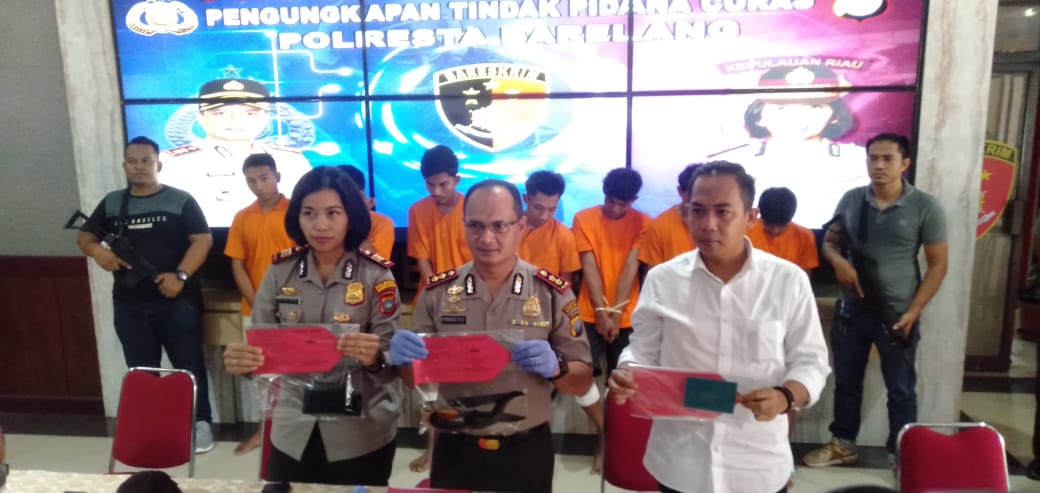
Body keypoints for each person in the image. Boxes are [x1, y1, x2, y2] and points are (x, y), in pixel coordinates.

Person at [608, 161, 831, 493]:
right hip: (680, 460)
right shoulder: (663, 279)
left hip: (757, 463)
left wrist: (785, 397)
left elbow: (811, 361)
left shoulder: (788, 280)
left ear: (751, 217)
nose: (708, 224)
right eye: (698, 211)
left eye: (723, 212)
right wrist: (627, 370)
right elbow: (642, 349)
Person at [390, 179, 593, 493]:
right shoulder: (438, 292)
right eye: (475, 226)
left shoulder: (552, 293)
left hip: (526, 447)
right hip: (455, 446)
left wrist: (558, 367)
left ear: (521, 226)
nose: (486, 238)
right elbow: (411, 379)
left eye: (499, 226)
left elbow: (581, 381)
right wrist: (403, 360)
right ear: (464, 226)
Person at [222, 167, 402, 485]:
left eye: (333, 213)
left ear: (351, 217)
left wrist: (375, 357)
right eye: (309, 213)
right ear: (297, 217)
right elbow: (262, 349)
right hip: (293, 427)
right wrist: (246, 362)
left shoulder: (376, 276)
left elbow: (392, 365)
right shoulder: (281, 272)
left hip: (361, 432)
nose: (320, 225)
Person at [803, 133, 948, 467]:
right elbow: (831, 243)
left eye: (887, 158)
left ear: (905, 163)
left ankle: (903, 454)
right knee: (846, 382)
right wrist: (839, 263)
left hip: (897, 314)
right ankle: (843, 445)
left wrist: (914, 311)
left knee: (901, 389)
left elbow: (939, 265)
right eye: (873, 158)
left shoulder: (925, 206)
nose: (878, 165)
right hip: (851, 310)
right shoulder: (851, 199)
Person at [76, 136, 215, 454]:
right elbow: (84, 237)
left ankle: (200, 423)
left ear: (159, 164)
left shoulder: (180, 200)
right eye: (132, 161)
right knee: (141, 370)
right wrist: (98, 252)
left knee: (189, 365)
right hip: (129, 302)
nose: (139, 167)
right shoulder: (113, 202)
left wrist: (180, 276)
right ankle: (154, 426)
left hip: (177, 300)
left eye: (146, 161)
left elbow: (202, 240)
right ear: (124, 165)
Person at [709, 65, 868, 229]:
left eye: (814, 107)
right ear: (758, 117)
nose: (797, 116)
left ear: (835, 115)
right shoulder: (732, 162)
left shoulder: (860, 161)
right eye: (781, 107)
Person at [518, 170, 603, 473]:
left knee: (577, 381)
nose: (544, 215)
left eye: (552, 209)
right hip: (510, 320)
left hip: (552, 320)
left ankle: (605, 435)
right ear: (526, 199)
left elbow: (564, 287)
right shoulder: (509, 229)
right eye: (538, 207)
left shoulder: (564, 237)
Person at [162, 78, 312, 227]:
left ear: (266, 118)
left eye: (250, 113)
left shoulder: (291, 160)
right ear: (200, 118)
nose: (235, 120)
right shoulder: (174, 163)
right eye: (220, 113)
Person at [224, 153, 297, 455]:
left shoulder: (297, 212)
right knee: (263, 373)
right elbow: (238, 265)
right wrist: (260, 305)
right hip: (254, 309)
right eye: (251, 180)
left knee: (297, 372)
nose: (259, 185)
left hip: (295, 309)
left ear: (277, 177)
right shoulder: (242, 217)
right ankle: (263, 431)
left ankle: (296, 431)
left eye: (264, 178)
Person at [572, 168, 651, 376]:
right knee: (581, 374)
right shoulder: (583, 219)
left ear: (633, 199)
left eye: (622, 204)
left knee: (624, 378)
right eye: (610, 201)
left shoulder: (644, 223)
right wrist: (600, 312)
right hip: (589, 311)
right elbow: (589, 266)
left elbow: (630, 268)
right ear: (604, 193)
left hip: (627, 313)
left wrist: (615, 316)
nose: (614, 209)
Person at [407, 145, 472, 293]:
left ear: (456, 180)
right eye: (430, 184)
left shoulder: (474, 209)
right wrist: (436, 295)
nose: (436, 191)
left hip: (469, 293)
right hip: (432, 294)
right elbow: (422, 260)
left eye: (443, 184)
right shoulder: (416, 211)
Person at [639, 164, 700, 270]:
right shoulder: (659, 227)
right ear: (680, 191)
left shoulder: (720, 224)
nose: (698, 203)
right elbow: (654, 276)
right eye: (692, 197)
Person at [747, 187, 820, 274]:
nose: (775, 231)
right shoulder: (743, 231)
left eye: (782, 225)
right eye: (768, 224)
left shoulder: (805, 237)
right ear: (757, 213)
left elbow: (804, 277)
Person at [338, 164, 395, 259]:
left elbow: (377, 262)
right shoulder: (321, 220)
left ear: (360, 196)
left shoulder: (382, 223)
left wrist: (358, 216)